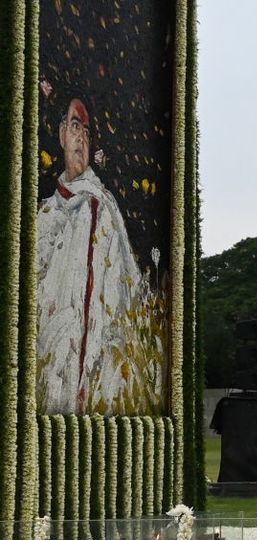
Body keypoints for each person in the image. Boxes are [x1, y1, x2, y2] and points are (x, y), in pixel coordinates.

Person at [36, 97, 143, 415]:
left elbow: (108, 301)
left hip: (85, 366)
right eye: (73, 126)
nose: (80, 137)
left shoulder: (101, 208)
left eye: (85, 129)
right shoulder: (44, 211)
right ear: (61, 134)